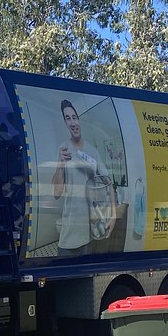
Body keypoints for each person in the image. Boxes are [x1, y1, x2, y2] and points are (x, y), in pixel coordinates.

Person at [51, 99, 116, 255]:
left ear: (78, 120)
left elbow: (109, 184)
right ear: (65, 123)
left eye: (74, 117)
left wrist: (113, 216)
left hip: (89, 233)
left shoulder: (92, 151)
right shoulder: (64, 148)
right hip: (68, 233)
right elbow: (56, 193)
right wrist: (60, 163)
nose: (72, 122)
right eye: (68, 118)